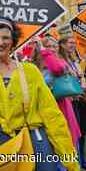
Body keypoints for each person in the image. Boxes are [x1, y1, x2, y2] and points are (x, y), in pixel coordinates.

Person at [0, 0, 78, 170]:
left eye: (6, 38)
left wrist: (70, 160)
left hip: (34, 141)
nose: (1, 43)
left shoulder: (30, 70)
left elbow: (52, 114)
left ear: (13, 41)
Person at [58, 32, 86, 168]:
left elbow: (79, 77)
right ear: (62, 45)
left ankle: (81, 160)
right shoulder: (61, 61)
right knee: (73, 132)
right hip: (70, 101)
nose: (73, 45)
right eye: (70, 43)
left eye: (74, 43)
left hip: (80, 99)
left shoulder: (74, 60)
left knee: (81, 131)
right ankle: (75, 161)